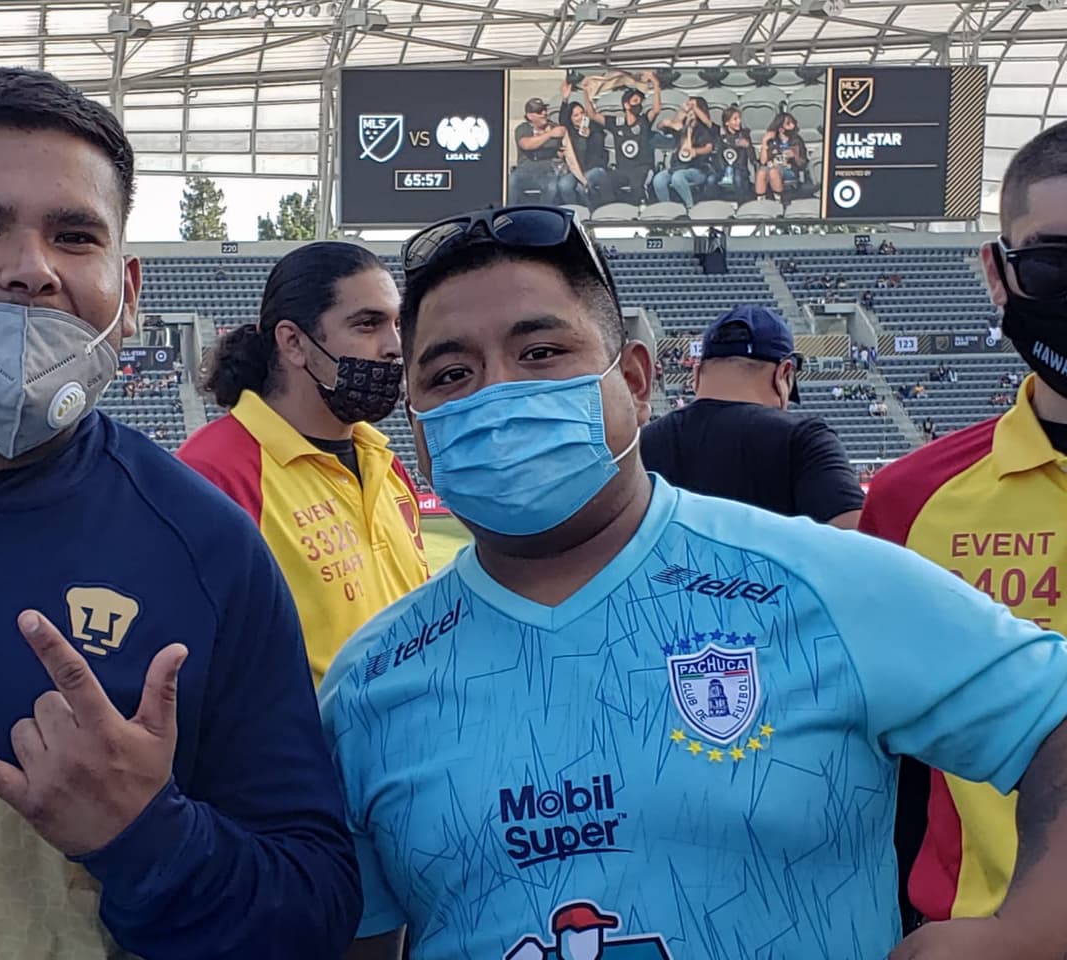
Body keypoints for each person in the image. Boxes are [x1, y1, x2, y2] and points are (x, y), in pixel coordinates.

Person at [320, 203, 1067, 960]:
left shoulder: (824, 585)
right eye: (451, 375)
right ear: (414, 422)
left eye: (542, 352)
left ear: (636, 381)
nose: (498, 396)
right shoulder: (367, 688)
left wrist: (1033, 929)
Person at [0, 68, 359, 960]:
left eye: (74, 235)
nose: (31, 270)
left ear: (128, 291)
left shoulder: (209, 553)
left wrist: (148, 838)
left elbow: (312, 906)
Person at [862, 120, 1067, 936]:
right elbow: (884, 762)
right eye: (1053, 264)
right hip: (981, 935)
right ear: (997, 273)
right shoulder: (912, 500)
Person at [179, 242, 429, 685]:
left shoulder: (386, 464)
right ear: (293, 342)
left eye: (397, 324)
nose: (394, 347)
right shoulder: (211, 475)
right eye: (368, 324)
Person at [641, 305, 864, 527]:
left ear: (696, 374)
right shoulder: (804, 441)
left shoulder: (641, 444)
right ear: (784, 373)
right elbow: (858, 542)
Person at [569, 73, 670, 205]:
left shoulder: (644, 121)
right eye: (635, 101)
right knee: (606, 183)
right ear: (626, 105)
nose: (638, 104)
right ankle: (611, 211)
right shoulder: (616, 122)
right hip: (622, 169)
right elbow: (592, 115)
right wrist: (585, 92)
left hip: (642, 168)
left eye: (640, 101)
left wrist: (656, 84)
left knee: (636, 185)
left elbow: (656, 109)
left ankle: (642, 211)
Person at [509, 97, 576, 205]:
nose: (544, 113)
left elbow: (566, 149)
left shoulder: (555, 127)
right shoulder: (523, 128)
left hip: (548, 171)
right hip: (526, 170)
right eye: (539, 111)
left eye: (545, 110)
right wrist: (549, 135)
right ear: (530, 116)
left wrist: (562, 154)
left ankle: (544, 214)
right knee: (511, 180)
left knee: (551, 187)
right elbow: (526, 145)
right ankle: (509, 212)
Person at [653, 97, 716, 208]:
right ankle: (667, 207)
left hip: (697, 169)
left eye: (693, 107)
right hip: (677, 167)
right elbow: (660, 126)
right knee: (659, 179)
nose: (690, 110)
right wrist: (678, 114)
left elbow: (708, 147)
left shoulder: (704, 129)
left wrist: (695, 151)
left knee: (678, 177)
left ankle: (689, 206)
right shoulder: (681, 127)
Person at [556, 81, 611, 208]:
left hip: (595, 169)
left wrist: (590, 134)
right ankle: (575, 209)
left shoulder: (595, 128)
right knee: (564, 185)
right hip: (577, 170)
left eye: (582, 113)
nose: (580, 117)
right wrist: (565, 99)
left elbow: (599, 145)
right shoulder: (570, 132)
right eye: (576, 115)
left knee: (582, 185)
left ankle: (591, 210)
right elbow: (562, 120)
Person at [755, 111, 809, 201]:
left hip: (789, 170)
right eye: (788, 124)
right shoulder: (772, 141)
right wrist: (764, 142)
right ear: (781, 129)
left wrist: (794, 155)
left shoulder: (796, 140)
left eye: (792, 123)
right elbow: (763, 162)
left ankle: (779, 200)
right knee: (761, 172)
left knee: (773, 172)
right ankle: (760, 201)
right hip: (772, 168)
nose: (792, 126)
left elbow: (802, 163)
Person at [711, 105, 755, 202]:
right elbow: (717, 156)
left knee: (738, 178)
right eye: (735, 119)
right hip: (723, 170)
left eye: (739, 118)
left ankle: (741, 203)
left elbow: (753, 158)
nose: (738, 121)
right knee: (711, 180)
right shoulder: (720, 138)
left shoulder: (744, 135)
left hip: (740, 169)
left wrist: (748, 146)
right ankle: (714, 203)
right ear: (727, 122)